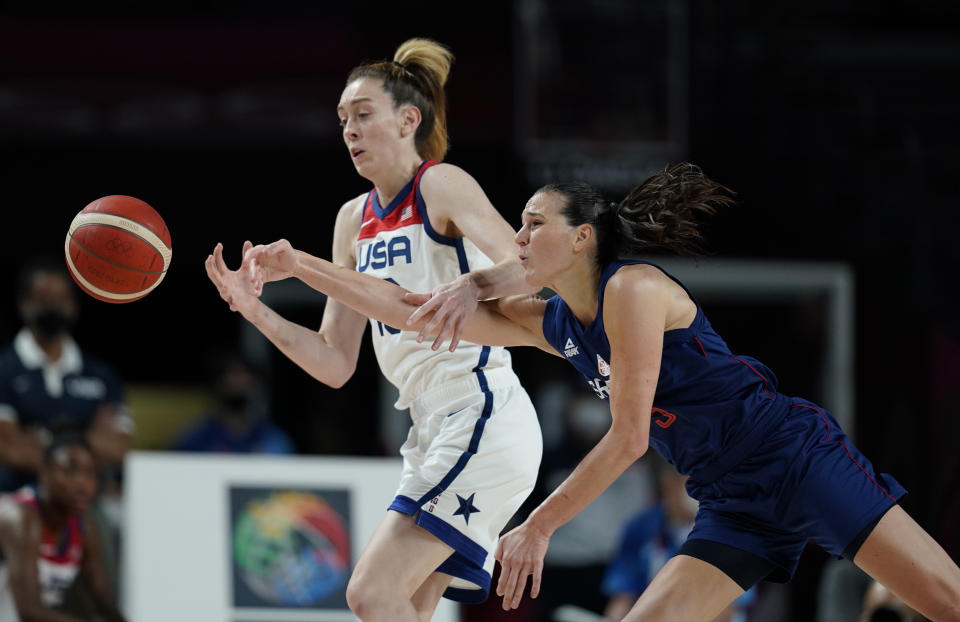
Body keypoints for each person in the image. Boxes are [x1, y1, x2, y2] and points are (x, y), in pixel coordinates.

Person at [207, 161, 960, 622]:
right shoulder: (554, 321)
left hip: (794, 458)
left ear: (580, 240)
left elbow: (630, 437)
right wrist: (300, 267)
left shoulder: (632, 288)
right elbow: (411, 309)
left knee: (943, 600)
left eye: (534, 223)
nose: (518, 236)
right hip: (732, 498)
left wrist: (538, 526)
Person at [206, 38, 543, 621]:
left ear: (409, 119)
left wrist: (475, 285)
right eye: (343, 120)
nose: (350, 130)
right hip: (428, 425)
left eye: (363, 115)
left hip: (482, 410)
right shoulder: (352, 219)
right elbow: (336, 363)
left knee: (368, 593)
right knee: (404, 608)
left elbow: (533, 268)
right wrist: (254, 309)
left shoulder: (441, 184)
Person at [0, 255, 132, 492]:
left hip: (87, 498)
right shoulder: (5, 368)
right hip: (16, 494)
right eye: (43, 299)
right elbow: (7, 448)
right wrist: (86, 442)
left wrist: (46, 437)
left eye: (61, 299)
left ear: (73, 305)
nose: (53, 307)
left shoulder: (101, 375)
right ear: (23, 304)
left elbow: (117, 446)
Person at [602, 455, 754, 622]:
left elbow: (725, 611)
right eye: (698, 482)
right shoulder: (640, 526)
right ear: (669, 486)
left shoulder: (733, 534)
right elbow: (622, 598)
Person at [0, 434, 127, 622]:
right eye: (69, 471)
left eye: (90, 473)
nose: (82, 484)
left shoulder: (84, 528)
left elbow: (103, 602)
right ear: (44, 472)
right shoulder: (20, 517)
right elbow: (29, 612)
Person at [172, 349, 294, 455]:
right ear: (217, 383)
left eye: (244, 374)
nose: (237, 382)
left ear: (257, 385)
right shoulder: (196, 439)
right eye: (231, 374)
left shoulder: (274, 440)